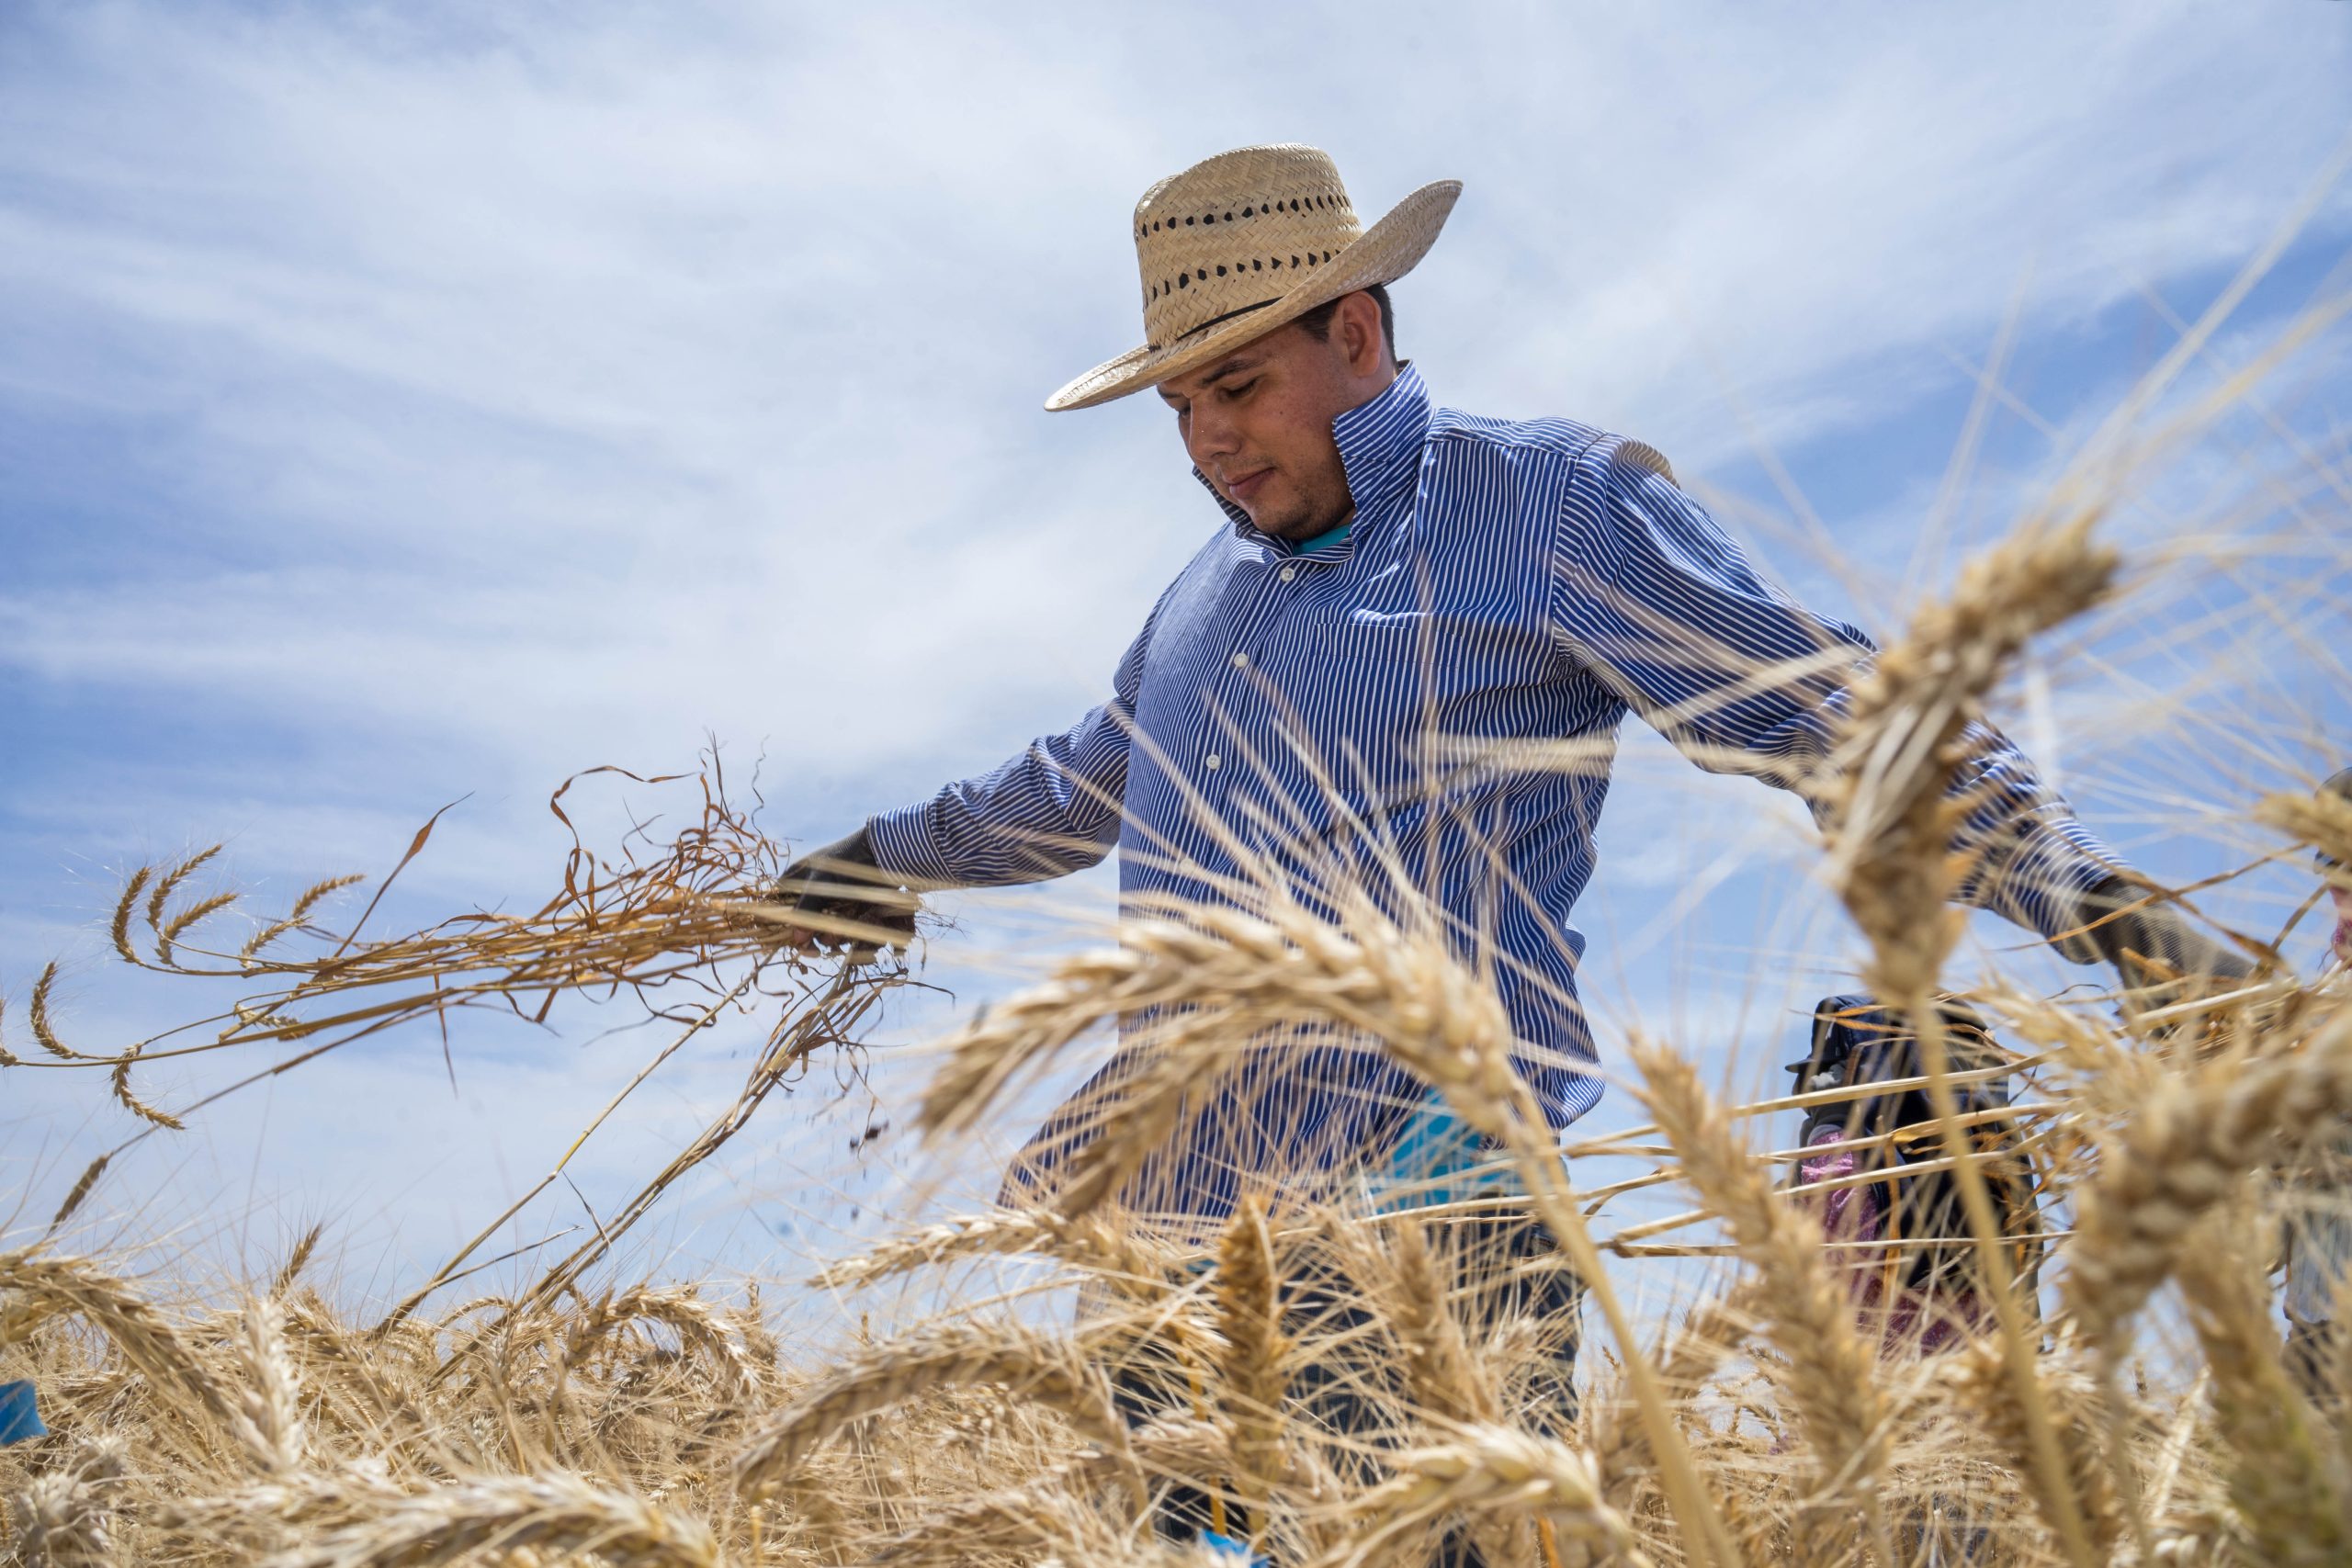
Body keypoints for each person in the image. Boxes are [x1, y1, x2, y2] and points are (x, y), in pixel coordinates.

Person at [775, 144, 2248, 1551]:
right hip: (1165, 1238)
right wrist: (878, 859)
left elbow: (1821, 711)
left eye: (1237, 383)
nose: (1207, 438)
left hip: (1417, 1212)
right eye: (1176, 405)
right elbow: (1080, 781)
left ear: (1355, 332)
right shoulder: (1195, 598)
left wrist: (2106, 908)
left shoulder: (1544, 506)